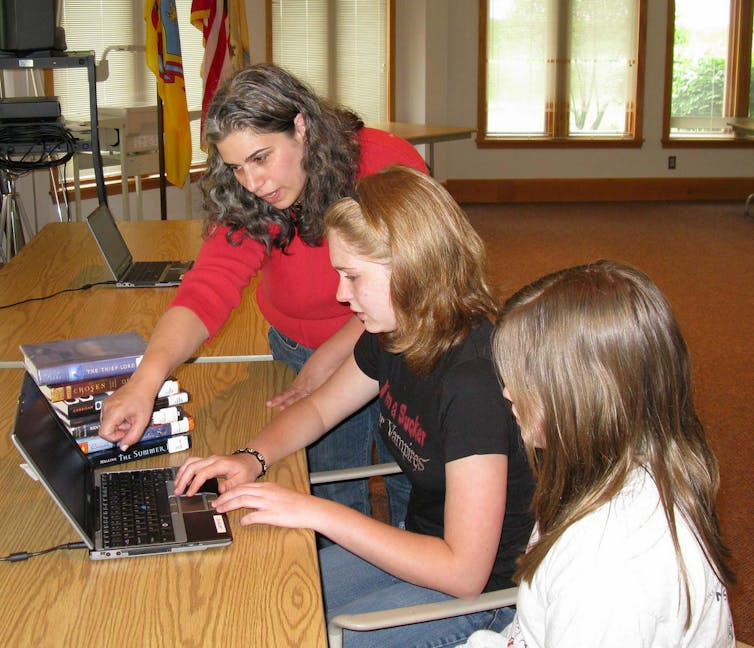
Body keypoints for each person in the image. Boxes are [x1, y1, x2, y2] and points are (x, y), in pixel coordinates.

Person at [173, 165, 535, 647]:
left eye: (353, 277)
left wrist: (318, 513)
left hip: (479, 599)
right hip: (418, 550)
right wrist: (250, 458)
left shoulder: (473, 386)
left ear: (413, 269)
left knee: (293, 632)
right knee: (261, 591)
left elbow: (465, 573)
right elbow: (320, 410)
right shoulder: (394, 334)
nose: (342, 296)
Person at [99, 63, 427, 525]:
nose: (252, 183)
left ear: (301, 126)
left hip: (396, 343)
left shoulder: (385, 163)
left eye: (260, 157)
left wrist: (332, 356)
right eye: (235, 167)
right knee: (334, 492)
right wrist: (144, 382)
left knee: (413, 479)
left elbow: (416, 279)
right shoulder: (253, 195)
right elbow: (205, 292)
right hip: (304, 352)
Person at [463, 260, 736, 647]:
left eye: (524, 378)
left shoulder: (607, 565)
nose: (507, 392)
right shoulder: (616, 474)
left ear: (582, 396)